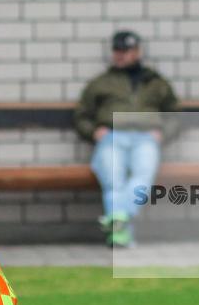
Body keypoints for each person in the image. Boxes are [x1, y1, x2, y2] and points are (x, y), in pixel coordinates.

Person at [74, 30, 178, 248]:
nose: (121, 55)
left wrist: (163, 133)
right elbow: (81, 115)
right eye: (117, 50)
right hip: (112, 136)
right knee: (113, 181)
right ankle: (121, 232)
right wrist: (93, 131)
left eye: (126, 50)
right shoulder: (101, 83)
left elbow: (175, 114)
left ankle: (117, 221)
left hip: (145, 137)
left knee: (142, 177)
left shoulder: (155, 82)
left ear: (137, 52)